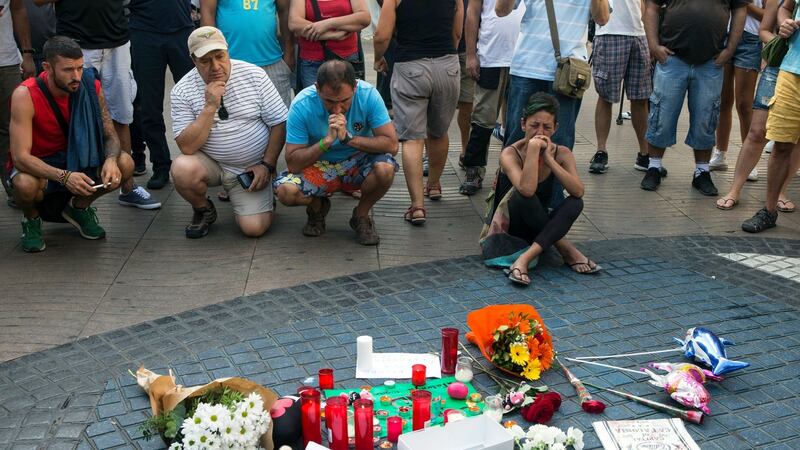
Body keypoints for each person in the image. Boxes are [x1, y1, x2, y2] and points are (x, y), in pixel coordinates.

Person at [8, 36, 134, 252]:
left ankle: (78, 207)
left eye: (79, 67)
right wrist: (64, 176)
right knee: (24, 184)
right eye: (68, 70)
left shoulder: (90, 85)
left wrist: (111, 160)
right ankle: (31, 220)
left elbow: (110, 136)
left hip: (79, 160)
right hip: (42, 167)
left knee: (125, 163)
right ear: (47, 67)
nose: (76, 76)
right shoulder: (25, 94)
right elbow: (20, 157)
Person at [34, 0, 160, 209]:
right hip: (76, 46)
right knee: (76, 117)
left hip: (117, 40)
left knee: (122, 114)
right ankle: (72, 188)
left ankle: (127, 187)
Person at [170, 27, 288, 238]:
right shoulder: (182, 90)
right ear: (193, 61)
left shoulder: (254, 75)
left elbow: (279, 123)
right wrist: (210, 107)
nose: (216, 66)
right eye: (205, 61)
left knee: (253, 229)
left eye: (220, 56)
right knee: (181, 169)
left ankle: (260, 194)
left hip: (251, 166)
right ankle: (202, 208)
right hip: (212, 163)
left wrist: (268, 165)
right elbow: (187, 147)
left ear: (228, 51)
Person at [480, 93, 599, 287]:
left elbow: (578, 191)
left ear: (556, 129)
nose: (539, 132)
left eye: (547, 127)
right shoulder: (510, 153)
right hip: (512, 227)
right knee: (524, 197)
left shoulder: (562, 153)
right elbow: (526, 190)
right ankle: (566, 248)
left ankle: (525, 258)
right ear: (523, 124)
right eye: (534, 126)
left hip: (538, 223)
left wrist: (551, 161)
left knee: (575, 203)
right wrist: (534, 150)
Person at [275, 60, 398, 245]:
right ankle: (318, 206)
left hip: (357, 162)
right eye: (329, 101)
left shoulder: (368, 95)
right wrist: (325, 142)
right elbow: (292, 163)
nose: (337, 109)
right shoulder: (301, 104)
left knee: (385, 169)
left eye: (344, 101)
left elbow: (391, 145)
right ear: (317, 88)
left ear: (355, 87)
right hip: (319, 166)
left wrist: (349, 139)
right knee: (286, 192)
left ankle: (361, 215)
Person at [639, 0, 748, 196]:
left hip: (711, 61)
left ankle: (702, 172)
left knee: (706, 118)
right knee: (661, 114)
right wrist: (653, 45)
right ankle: (653, 167)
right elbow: (652, 7)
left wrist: (730, 49)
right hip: (673, 57)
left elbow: (740, 9)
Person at [373, 0, 463, 225]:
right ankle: (433, 185)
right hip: (447, 65)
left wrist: (377, 58)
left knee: (413, 140)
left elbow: (382, 36)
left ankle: (417, 206)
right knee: (439, 132)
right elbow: (457, 32)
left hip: (410, 66)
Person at [717, 0, 800, 211]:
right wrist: (785, 39)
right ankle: (735, 189)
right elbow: (763, 30)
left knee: (795, 138)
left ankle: (780, 191)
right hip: (778, 68)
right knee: (757, 131)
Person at [495, 0, 610, 153]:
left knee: (559, 145)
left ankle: (554, 177)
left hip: (567, 74)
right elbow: (500, 10)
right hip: (526, 68)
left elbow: (602, 18)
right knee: (517, 141)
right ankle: (511, 177)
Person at [742, 0, 800, 232]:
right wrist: (784, 22)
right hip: (792, 72)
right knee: (782, 145)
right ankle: (769, 210)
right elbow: (786, 7)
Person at [128, 0, 195, 189]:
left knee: (195, 100)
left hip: (182, 29)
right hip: (144, 32)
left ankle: (202, 158)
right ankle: (161, 164)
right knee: (149, 106)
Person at [459, 0, 523, 195]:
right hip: (491, 57)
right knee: (482, 120)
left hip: (524, 60)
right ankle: (474, 171)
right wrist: (471, 54)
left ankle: (509, 173)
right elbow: (472, 12)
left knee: (519, 122)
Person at [588, 0, 654, 175]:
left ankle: (645, 153)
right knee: (605, 96)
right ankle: (601, 151)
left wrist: (648, 34)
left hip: (639, 34)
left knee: (641, 98)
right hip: (609, 31)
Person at [202, 0, 295, 108]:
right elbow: (207, 15)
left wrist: (289, 53)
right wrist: (214, 62)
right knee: (237, 119)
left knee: (279, 116)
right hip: (230, 66)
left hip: (271, 62)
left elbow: (285, 11)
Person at [711, 0, 765, 172]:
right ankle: (720, 153)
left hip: (750, 39)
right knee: (723, 101)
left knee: (744, 104)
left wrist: (742, 3)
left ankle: (748, 158)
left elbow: (767, 16)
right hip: (722, 35)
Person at [289, 0, 370, 89]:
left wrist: (328, 24)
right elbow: (295, 23)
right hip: (312, 62)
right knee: (315, 100)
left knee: (347, 99)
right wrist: (333, 35)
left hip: (347, 58)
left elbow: (364, 18)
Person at [1, 0, 35, 201]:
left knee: (11, 128)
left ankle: (13, 186)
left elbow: (18, 7)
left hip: (7, 60)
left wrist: (27, 53)